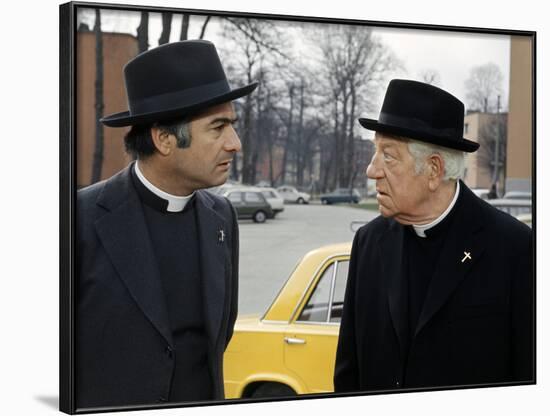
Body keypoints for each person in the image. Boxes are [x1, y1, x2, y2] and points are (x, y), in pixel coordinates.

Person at [76, 40, 257, 408]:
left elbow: (219, 339)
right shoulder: (78, 219)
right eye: (218, 127)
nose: (235, 144)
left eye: (232, 126)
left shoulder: (221, 218)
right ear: (163, 139)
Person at [334, 79, 533, 392]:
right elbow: (348, 374)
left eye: (388, 156)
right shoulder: (368, 243)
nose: (371, 171)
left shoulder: (516, 249)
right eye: (376, 152)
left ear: (434, 170)